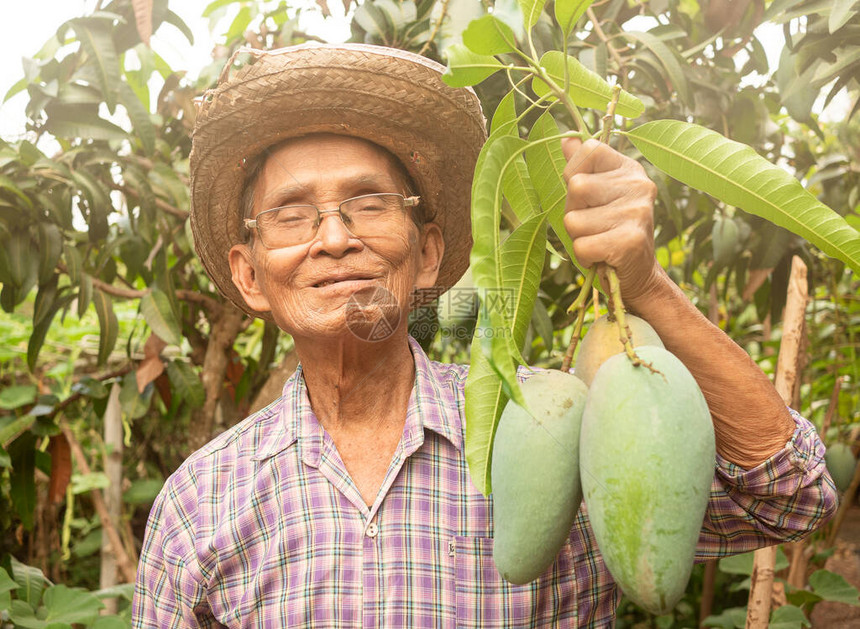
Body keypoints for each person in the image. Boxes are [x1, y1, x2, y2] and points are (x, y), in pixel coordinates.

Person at [132, 43, 837, 627]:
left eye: (369, 202)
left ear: (430, 252)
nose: (336, 238)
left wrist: (644, 282)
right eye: (292, 215)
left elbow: (792, 494)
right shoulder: (201, 506)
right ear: (249, 275)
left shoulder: (549, 424)